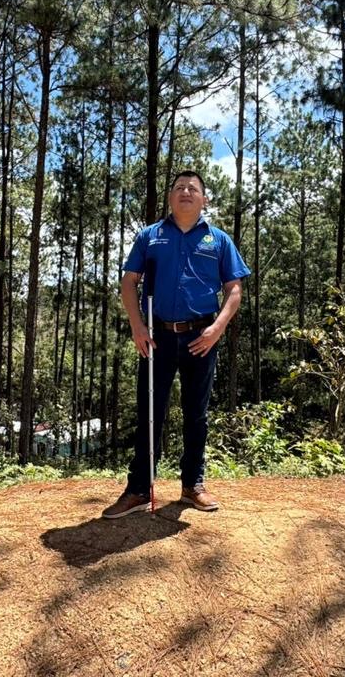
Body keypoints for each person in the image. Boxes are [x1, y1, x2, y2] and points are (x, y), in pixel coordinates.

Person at [102, 170, 250, 519]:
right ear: (170, 197)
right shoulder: (150, 237)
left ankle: (192, 486)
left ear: (204, 199)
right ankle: (139, 489)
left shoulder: (219, 241)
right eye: (180, 187)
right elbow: (128, 283)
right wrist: (137, 326)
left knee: (196, 414)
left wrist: (217, 328)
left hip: (203, 337)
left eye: (193, 188)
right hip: (157, 337)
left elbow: (234, 290)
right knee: (150, 412)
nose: (186, 191)